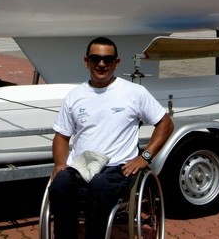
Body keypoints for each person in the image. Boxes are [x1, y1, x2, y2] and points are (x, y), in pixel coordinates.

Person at [49, 36, 174, 239]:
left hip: (117, 168)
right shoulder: (75, 95)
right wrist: (59, 164)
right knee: (61, 182)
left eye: (107, 59)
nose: (101, 64)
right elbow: (62, 135)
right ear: (86, 61)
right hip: (82, 167)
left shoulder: (134, 92)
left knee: (99, 184)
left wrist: (145, 157)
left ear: (116, 62)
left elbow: (165, 123)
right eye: (95, 58)